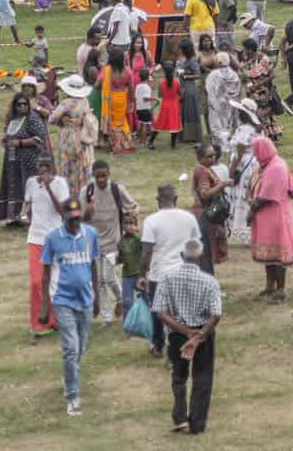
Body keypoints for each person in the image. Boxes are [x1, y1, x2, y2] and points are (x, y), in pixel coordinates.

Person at [152, 237, 223, 435]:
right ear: (201, 257)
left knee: (179, 376)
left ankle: (180, 417)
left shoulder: (167, 277)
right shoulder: (210, 282)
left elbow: (160, 312)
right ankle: (197, 424)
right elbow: (216, 314)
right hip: (203, 333)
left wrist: (185, 332)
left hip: (177, 335)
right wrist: (199, 335)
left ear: (183, 256)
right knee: (202, 376)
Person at [39, 197, 99, 417]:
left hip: (85, 301)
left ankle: (69, 373)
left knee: (80, 348)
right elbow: (45, 273)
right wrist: (45, 305)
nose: (74, 223)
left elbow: (93, 264)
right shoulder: (53, 238)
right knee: (71, 349)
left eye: (77, 219)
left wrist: (97, 297)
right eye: (70, 220)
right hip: (62, 300)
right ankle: (72, 396)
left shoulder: (90, 234)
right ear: (63, 218)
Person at [139, 183, 202, 358]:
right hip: (184, 271)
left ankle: (158, 346)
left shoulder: (151, 220)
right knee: (182, 311)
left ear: (158, 200)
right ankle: (183, 342)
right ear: (175, 199)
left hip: (159, 275)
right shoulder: (188, 218)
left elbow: (146, 251)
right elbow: (197, 246)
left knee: (158, 312)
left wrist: (141, 275)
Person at [82, 160, 137, 321]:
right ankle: (106, 317)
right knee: (98, 281)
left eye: (104, 176)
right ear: (93, 175)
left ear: (109, 174)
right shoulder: (87, 192)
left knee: (109, 277)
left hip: (113, 241)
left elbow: (134, 207)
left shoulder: (116, 189)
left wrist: (130, 219)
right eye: (97, 176)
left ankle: (121, 300)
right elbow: (80, 219)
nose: (100, 180)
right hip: (93, 243)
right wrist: (88, 211)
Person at [249, 137, 293, 302]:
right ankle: (269, 285)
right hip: (265, 217)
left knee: (278, 253)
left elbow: (266, 197)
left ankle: (281, 289)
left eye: (257, 151)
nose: (255, 155)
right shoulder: (267, 164)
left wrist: (251, 211)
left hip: (275, 216)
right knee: (268, 252)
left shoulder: (276, 167)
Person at [24, 155, 70, 339]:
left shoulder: (60, 183)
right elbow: (28, 203)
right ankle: (39, 322)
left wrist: (49, 187)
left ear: (53, 167)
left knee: (55, 282)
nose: (43, 169)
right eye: (40, 165)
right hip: (35, 238)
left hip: (55, 238)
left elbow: (62, 211)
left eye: (46, 165)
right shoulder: (31, 183)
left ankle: (56, 319)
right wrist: (24, 214)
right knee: (36, 281)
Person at [0, 94, 49, 226]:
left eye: (25, 104)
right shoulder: (12, 119)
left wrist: (20, 143)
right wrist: (1, 141)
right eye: (19, 104)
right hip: (12, 160)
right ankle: (14, 217)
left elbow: (39, 138)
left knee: (31, 187)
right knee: (14, 187)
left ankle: (35, 218)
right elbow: (8, 137)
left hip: (30, 160)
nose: (23, 106)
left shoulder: (33, 118)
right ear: (14, 106)